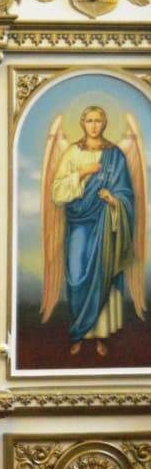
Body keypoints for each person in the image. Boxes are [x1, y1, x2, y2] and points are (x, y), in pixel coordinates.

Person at [42, 105, 144, 357]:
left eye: (98, 120)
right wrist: (82, 172)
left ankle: (98, 335)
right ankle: (79, 331)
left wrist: (113, 199)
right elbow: (57, 191)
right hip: (79, 223)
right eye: (89, 120)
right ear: (82, 123)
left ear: (105, 123)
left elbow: (126, 194)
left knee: (102, 275)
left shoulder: (115, 154)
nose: (94, 125)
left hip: (105, 223)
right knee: (77, 276)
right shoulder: (72, 152)